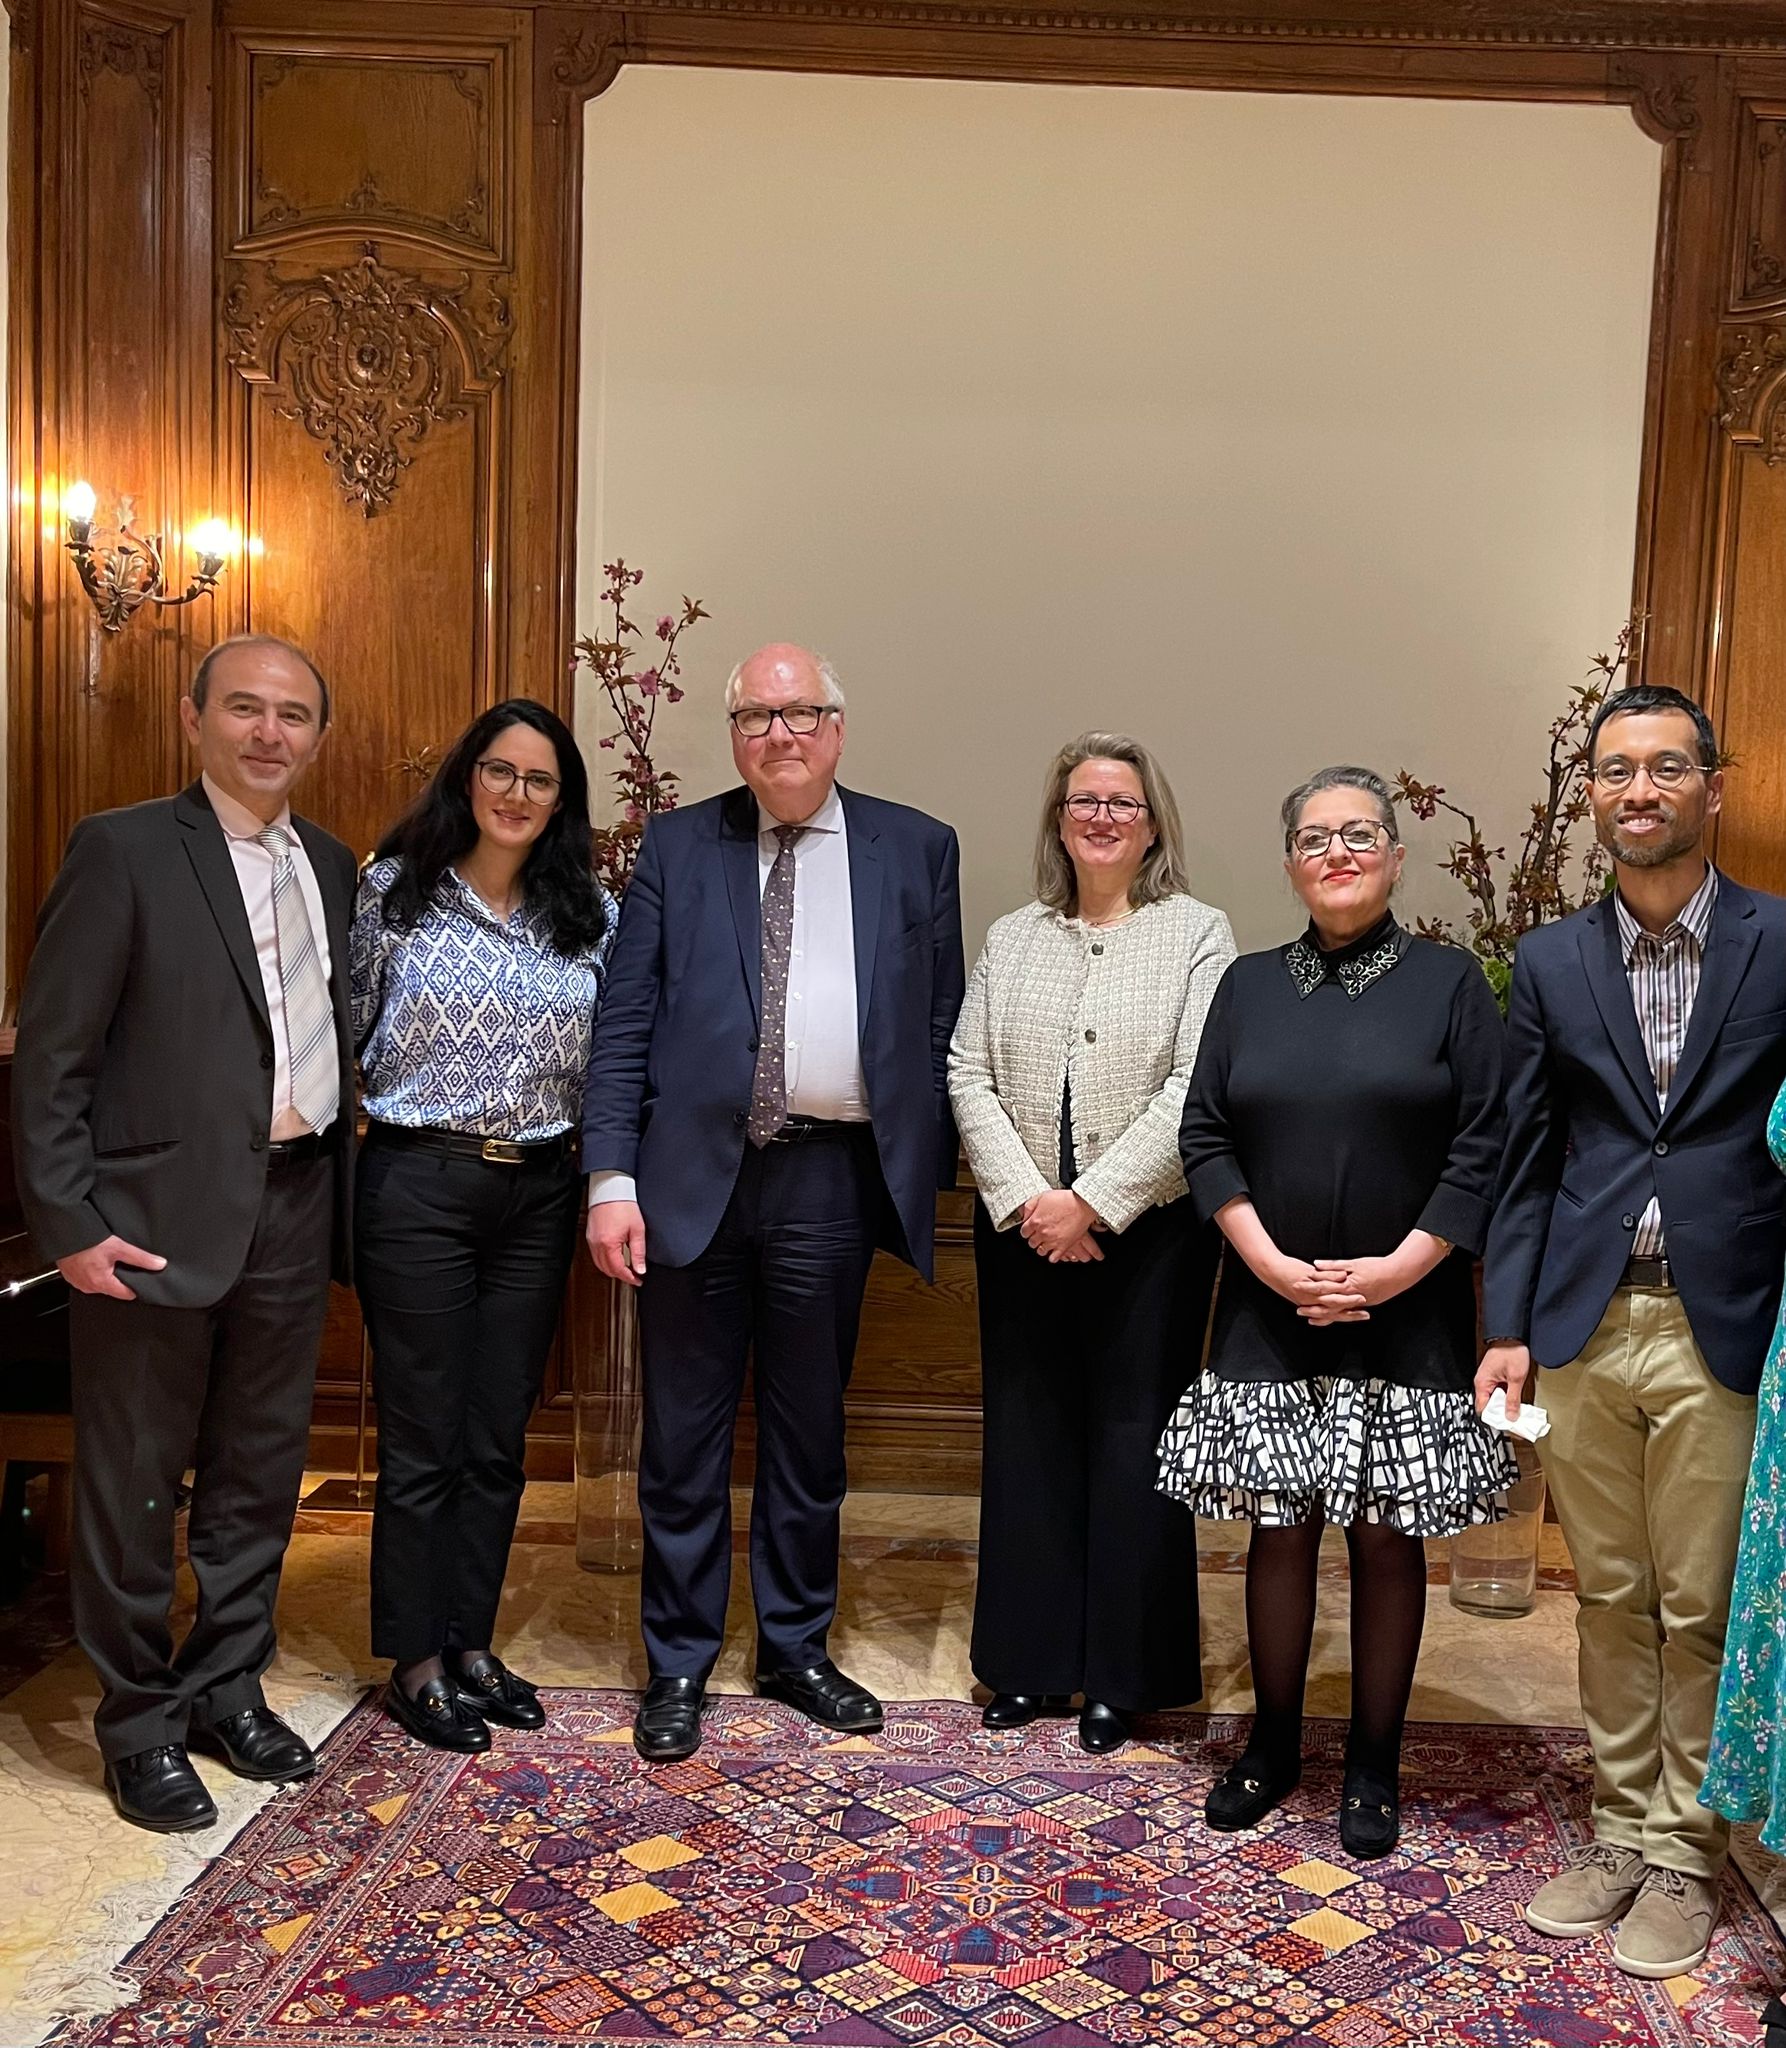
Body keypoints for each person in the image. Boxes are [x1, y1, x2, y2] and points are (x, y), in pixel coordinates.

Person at [583, 644, 965, 1762]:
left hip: (828, 1181)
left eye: (801, 713)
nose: (780, 733)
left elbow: (936, 1022)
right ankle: (680, 1658)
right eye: (755, 714)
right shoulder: (677, 844)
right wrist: (611, 1176)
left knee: (809, 1433)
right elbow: (624, 1023)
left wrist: (922, 1160)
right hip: (687, 1179)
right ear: (735, 733)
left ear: (838, 727)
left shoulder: (916, 847)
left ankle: (795, 1645)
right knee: (683, 1439)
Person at [11, 635, 356, 1831]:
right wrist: (69, 1225)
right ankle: (139, 1721)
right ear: (191, 716)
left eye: (294, 714)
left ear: (319, 734)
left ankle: (225, 1686)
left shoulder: (330, 861)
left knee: (261, 1475)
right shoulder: (123, 849)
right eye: (246, 709)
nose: (270, 732)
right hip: (148, 1225)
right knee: (132, 1481)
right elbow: (51, 1055)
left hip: (299, 1200)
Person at [1479, 683, 1786, 1977]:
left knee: (1700, 1597)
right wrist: (1504, 1326)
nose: (1638, 790)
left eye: (1665, 768)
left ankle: (1684, 1851)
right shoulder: (1549, 961)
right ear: (1590, 796)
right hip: (1582, 1322)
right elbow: (1523, 1156)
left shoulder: (1781, 943)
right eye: (1614, 771)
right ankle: (1615, 1829)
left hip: (1729, 1319)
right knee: (1606, 1594)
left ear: (1711, 788)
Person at [1158, 765, 1514, 1860]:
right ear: (1289, 863)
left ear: (1396, 856)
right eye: (1314, 838)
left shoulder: (1452, 984)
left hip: (1405, 1309)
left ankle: (1371, 1759)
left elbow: (1486, 1140)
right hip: (1271, 1303)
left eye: (1359, 834)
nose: (1337, 853)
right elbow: (1205, 1131)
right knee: (1278, 1522)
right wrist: (1267, 1260)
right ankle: (1269, 1744)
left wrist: (1402, 1266)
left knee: (1382, 1530)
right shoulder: (1248, 984)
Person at [948, 733, 1233, 1754]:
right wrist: (1030, 1197)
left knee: (1131, 1442)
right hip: (1020, 1226)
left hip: (1148, 1232)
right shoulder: (1013, 935)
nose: (1101, 815)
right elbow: (965, 1069)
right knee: (1026, 1438)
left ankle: (1125, 1672)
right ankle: (1027, 1661)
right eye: (1082, 799)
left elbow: (1195, 1086)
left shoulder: (1197, 933)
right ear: (1057, 819)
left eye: (1121, 800)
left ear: (1151, 821)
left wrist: (1096, 1201)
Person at [352, 700, 614, 1752]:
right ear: (467, 777)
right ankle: (413, 1659)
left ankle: (469, 1641)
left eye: (539, 779)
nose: (516, 793)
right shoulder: (391, 894)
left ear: (563, 799)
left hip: (538, 1190)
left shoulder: (588, 913)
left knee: (499, 1436)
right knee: (424, 1435)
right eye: (499, 771)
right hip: (420, 1181)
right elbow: (344, 1029)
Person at [1703, 1074, 1786, 1852]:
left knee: (1693, 1612)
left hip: (1728, 1307)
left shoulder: (1762, 951)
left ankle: (1684, 1853)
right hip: (1781, 1347)